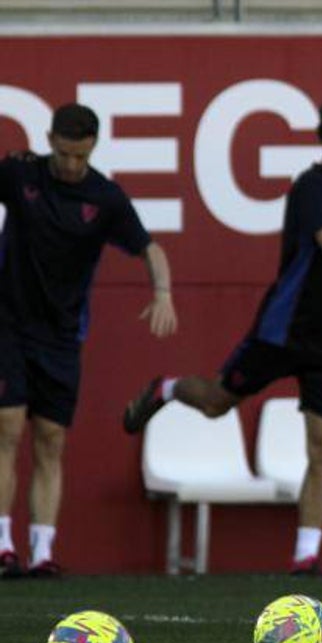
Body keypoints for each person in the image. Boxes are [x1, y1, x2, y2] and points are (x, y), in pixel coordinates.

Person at [122, 92, 322, 575]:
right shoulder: (310, 187)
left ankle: (305, 556)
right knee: (216, 403)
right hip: (285, 330)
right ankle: (167, 388)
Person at [0, 103, 178, 579]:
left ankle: (42, 550)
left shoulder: (105, 198)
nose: (70, 164)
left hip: (61, 335)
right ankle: (3, 546)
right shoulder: (21, 174)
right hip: (9, 323)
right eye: (63, 154)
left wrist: (162, 292)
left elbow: (149, 248)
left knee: (50, 440)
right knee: (7, 427)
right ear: (50, 141)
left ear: (93, 147)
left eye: (80, 156)